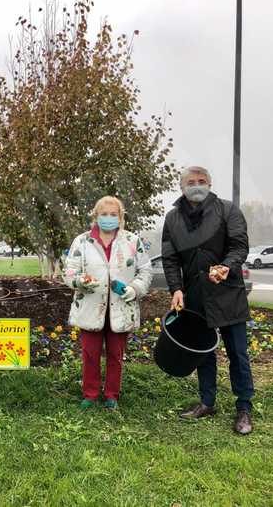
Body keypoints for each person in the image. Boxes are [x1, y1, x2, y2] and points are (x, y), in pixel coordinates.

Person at [161, 166, 254, 435]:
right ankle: (207, 402)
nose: (197, 185)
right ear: (182, 187)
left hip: (228, 293)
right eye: (191, 182)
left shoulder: (227, 211)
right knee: (203, 353)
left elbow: (239, 246)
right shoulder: (173, 218)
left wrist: (226, 266)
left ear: (210, 184)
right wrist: (176, 289)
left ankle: (244, 407)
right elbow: (170, 258)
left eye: (202, 181)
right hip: (195, 296)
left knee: (237, 353)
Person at [64, 196, 152, 409]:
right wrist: (80, 281)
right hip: (90, 307)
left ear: (121, 217)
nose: (108, 218)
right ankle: (90, 394)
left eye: (113, 214)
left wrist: (135, 289)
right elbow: (69, 271)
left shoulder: (132, 241)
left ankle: (112, 395)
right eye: (104, 214)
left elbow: (145, 270)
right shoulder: (82, 241)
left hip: (121, 308)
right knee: (90, 355)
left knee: (115, 355)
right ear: (96, 216)